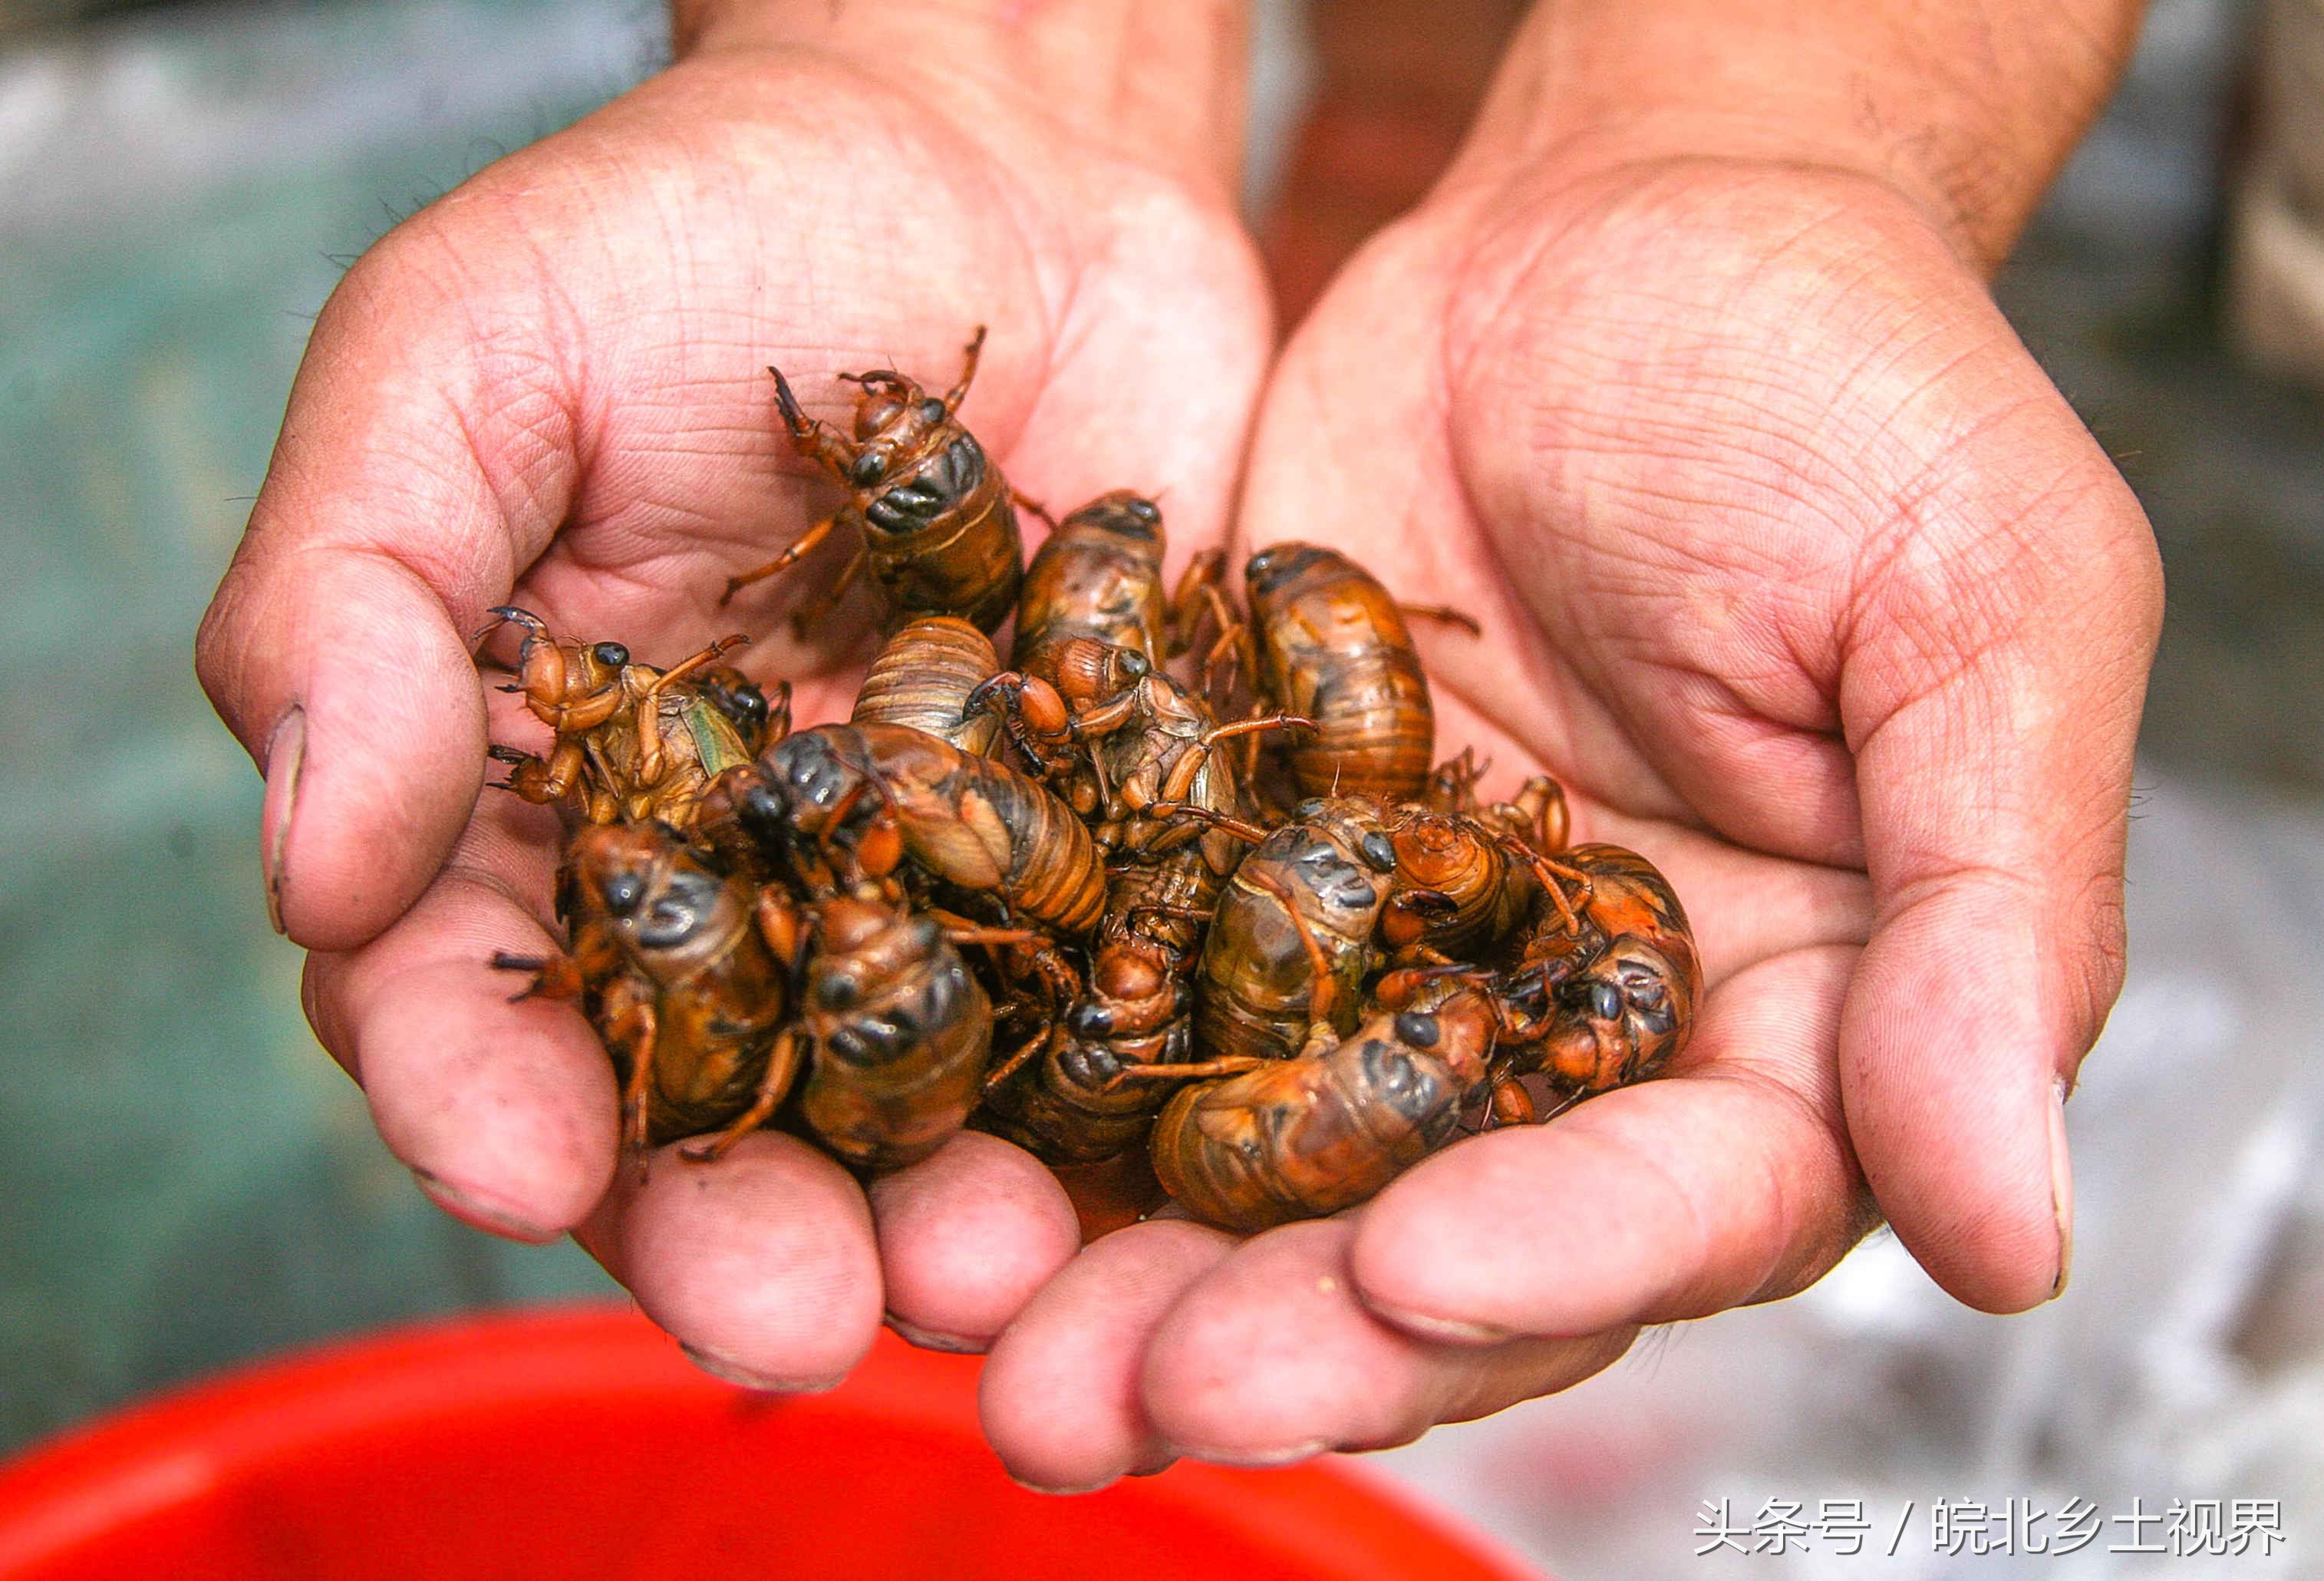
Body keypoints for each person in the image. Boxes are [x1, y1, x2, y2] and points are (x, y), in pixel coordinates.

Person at [194, 0, 2162, 1493]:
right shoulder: (1071, 792)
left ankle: (1448, 174)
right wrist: (938, 53)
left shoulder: (1260, 883)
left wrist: (1762, 124)